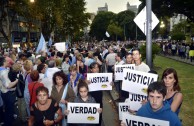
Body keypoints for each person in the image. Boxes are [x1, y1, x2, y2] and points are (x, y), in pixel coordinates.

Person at [0, 56, 18, 126]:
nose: (8, 62)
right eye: (7, 61)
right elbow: (8, 85)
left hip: (3, 92)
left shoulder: (2, 70)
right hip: (7, 93)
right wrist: (17, 80)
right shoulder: (3, 72)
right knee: (9, 110)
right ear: (4, 62)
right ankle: (8, 123)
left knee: (7, 108)